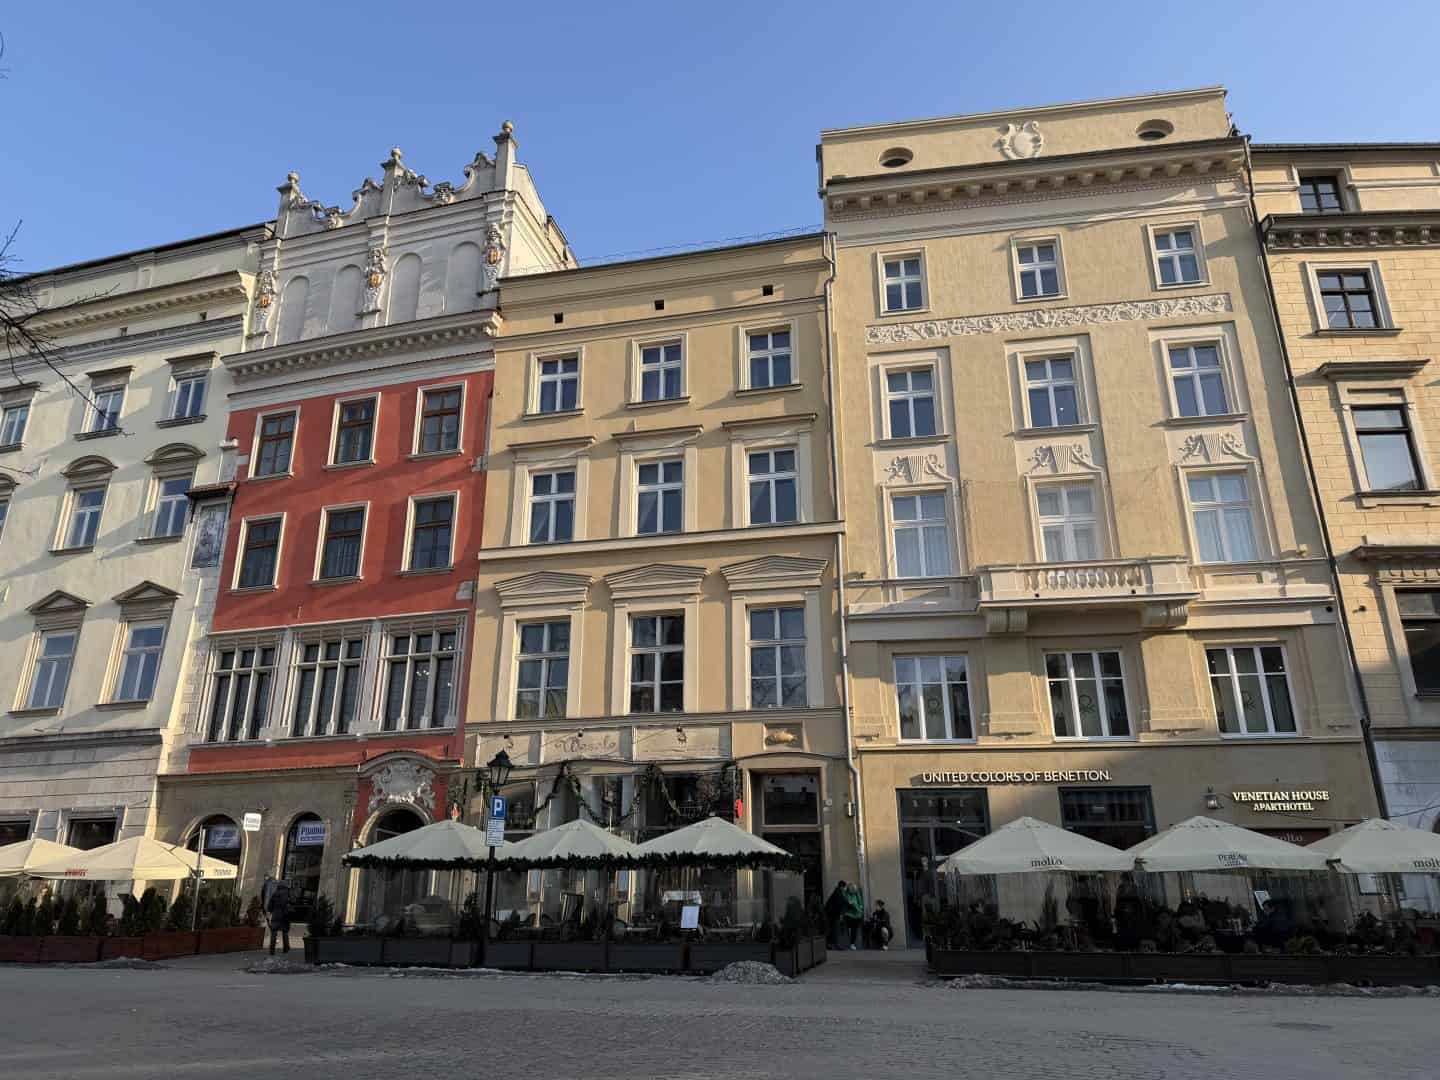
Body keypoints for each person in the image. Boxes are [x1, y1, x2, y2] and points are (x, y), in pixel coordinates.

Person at [266, 879, 293, 955]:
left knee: (274, 932)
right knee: (285, 932)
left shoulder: (275, 894)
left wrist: (270, 914)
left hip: (276, 914)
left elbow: (270, 907)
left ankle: (272, 949)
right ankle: (286, 948)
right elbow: (292, 904)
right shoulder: (288, 894)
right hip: (285, 915)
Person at [824, 880, 848, 949]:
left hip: (832, 914)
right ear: (841, 886)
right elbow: (840, 903)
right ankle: (834, 945)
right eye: (844, 887)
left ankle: (830, 944)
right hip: (832, 914)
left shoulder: (837, 891)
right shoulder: (838, 892)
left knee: (832, 929)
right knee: (834, 929)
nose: (844, 889)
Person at [843, 881, 865, 949]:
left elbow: (861, 904)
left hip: (857, 914)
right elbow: (846, 903)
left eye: (854, 890)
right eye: (852, 890)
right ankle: (851, 943)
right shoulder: (846, 894)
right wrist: (851, 904)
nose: (853, 891)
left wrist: (859, 907)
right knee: (852, 925)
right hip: (849, 914)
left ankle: (852, 943)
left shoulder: (856, 894)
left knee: (854, 927)